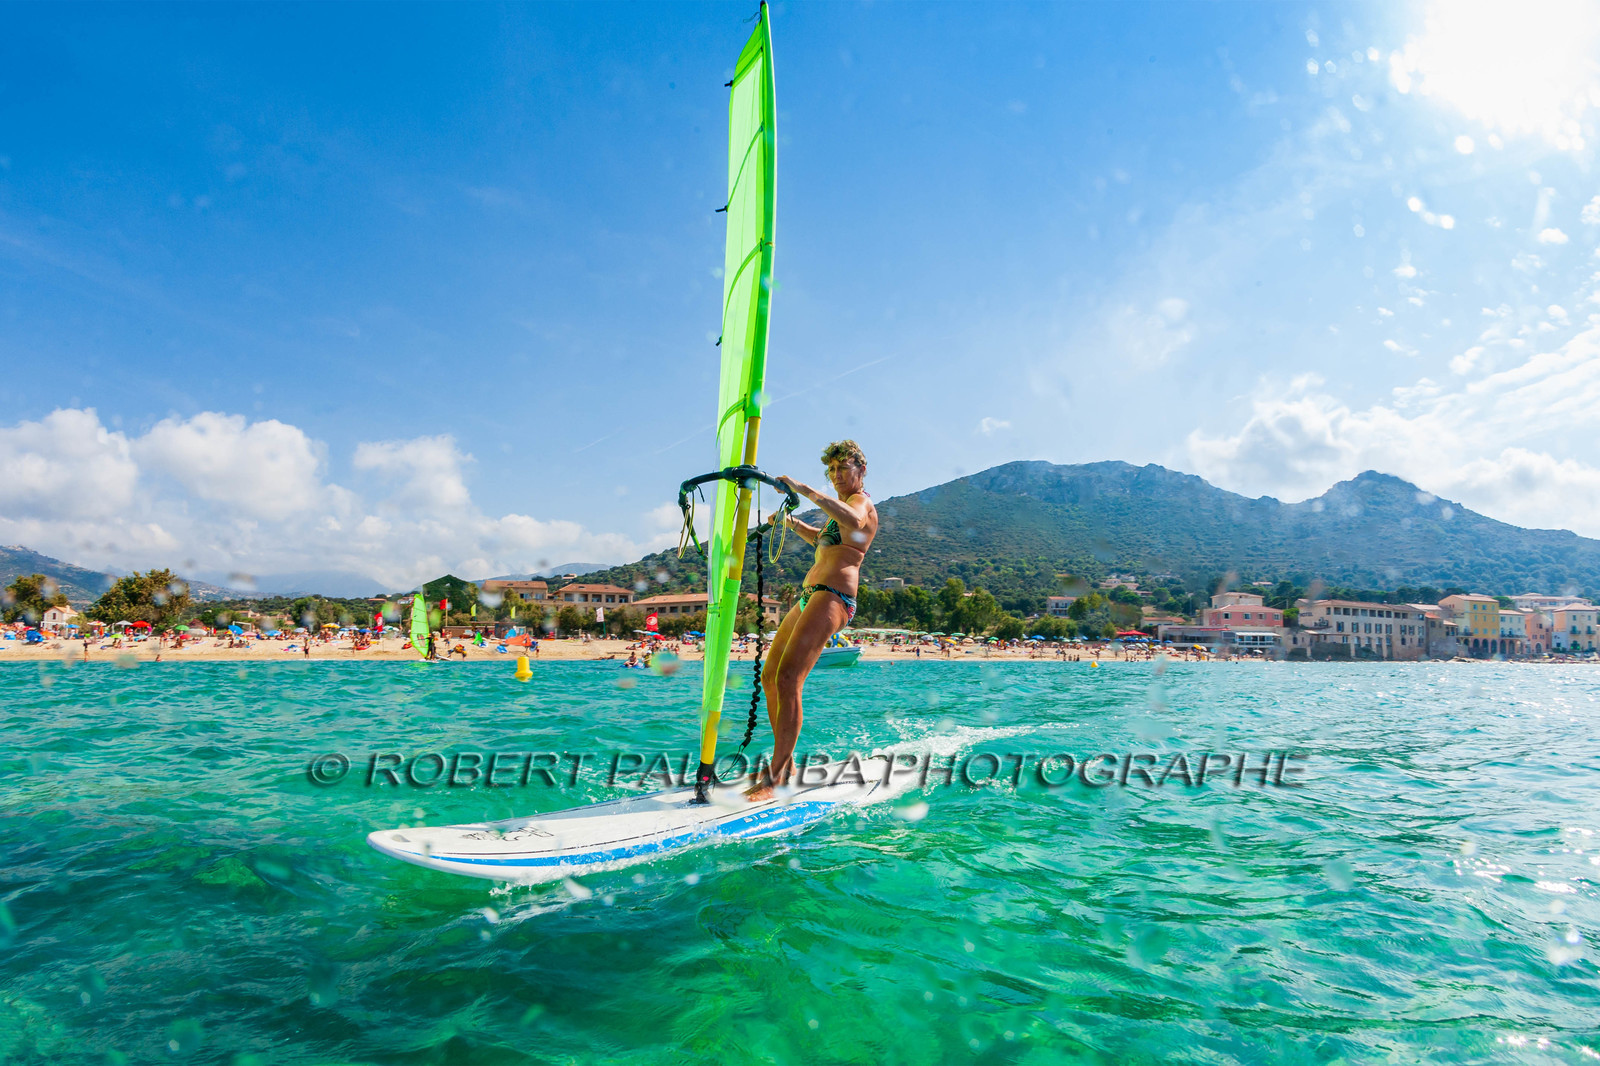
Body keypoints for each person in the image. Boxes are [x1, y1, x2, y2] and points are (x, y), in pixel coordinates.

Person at [749, 440, 879, 801]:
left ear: (861, 470)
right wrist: (791, 523)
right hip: (809, 595)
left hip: (833, 596)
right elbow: (823, 541)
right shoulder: (836, 515)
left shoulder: (861, 503)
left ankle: (778, 776)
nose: (837, 475)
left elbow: (852, 520)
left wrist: (804, 490)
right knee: (771, 675)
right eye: (832, 470)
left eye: (844, 468)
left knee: (790, 678)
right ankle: (785, 767)